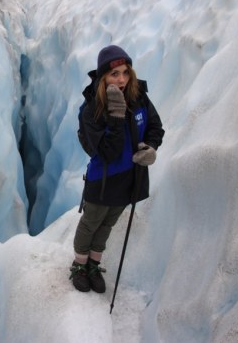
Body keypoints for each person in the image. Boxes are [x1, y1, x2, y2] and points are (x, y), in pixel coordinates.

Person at [70, 45, 165, 293]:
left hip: (130, 178)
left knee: (107, 225)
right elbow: (106, 152)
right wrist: (116, 116)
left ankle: (93, 264)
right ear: (103, 77)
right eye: (114, 74)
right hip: (102, 179)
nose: (121, 79)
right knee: (91, 223)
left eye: (125, 72)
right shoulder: (90, 110)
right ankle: (79, 266)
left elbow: (155, 127)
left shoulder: (139, 96)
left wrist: (151, 147)